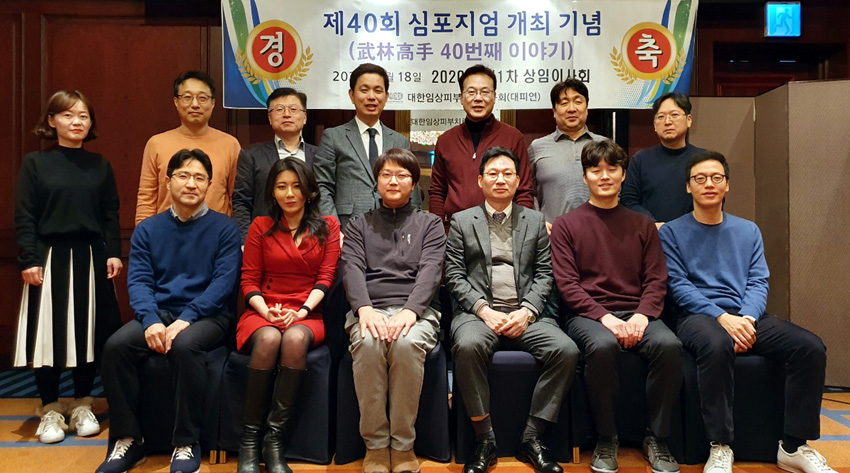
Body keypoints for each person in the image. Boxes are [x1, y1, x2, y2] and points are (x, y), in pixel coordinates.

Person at [658, 151, 835, 473]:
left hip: (746, 314)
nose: (708, 184)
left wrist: (747, 319)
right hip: (697, 316)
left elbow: (758, 280)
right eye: (700, 178)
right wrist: (722, 318)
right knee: (716, 344)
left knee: (810, 347)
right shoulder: (671, 232)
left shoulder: (748, 230)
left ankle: (794, 446)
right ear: (688, 187)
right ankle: (720, 445)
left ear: (726, 185)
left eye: (716, 178)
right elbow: (678, 286)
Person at [97, 149, 241, 473]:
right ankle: (128, 439)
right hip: (160, 312)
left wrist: (187, 318)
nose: (191, 184)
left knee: (185, 344)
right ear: (168, 181)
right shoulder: (148, 229)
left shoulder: (225, 228)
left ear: (209, 185)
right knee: (115, 347)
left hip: (209, 315)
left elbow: (223, 283)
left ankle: (186, 442)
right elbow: (139, 281)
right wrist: (150, 320)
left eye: (199, 178)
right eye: (183, 176)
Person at [551, 139, 683, 473]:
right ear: (585, 177)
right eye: (596, 170)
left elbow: (656, 279)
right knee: (602, 346)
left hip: (638, 311)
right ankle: (606, 438)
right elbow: (568, 285)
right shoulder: (567, 224)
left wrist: (641, 315)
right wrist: (605, 318)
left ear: (623, 174)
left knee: (669, 346)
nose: (605, 176)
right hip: (588, 314)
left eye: (612, 169)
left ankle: (657, 438)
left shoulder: (642, 224)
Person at [446, 147, 578, 473]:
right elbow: (454, 275)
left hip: (526, 314)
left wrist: (528, 311)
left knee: (566, 350)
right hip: (479, 314)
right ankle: (485, 439)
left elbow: (546, 273)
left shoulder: (535, 220)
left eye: (508, 174)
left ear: (519, 181)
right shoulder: (462, 221)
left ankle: (532, 437)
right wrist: (483, 310)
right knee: (467, 345)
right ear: (480, 180)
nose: (500, 180)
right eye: (493, 174)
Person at [14, 90, 122, 444]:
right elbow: (25, 215)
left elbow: (110, 213)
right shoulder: (35, 163)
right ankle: (49, 408)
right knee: (49, 335)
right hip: (48, 258)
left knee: (88, 333)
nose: (77, 122)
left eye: (83, 116)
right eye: (68, 115)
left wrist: (114, 253)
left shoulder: (100, 165)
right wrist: (29, 258)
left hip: (91, 256)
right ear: (52, 121)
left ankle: (82, 403)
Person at [341, 149, 445, 473]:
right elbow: (352, 269)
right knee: (369, 344)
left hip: (417, 311)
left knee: (405, 344)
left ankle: (402, 445)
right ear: (376, 181)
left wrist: (411, 311)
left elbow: (431, 271)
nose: (393, 181)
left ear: (413, 183)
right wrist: (364, 309)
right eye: (386, 175)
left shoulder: (430, 224)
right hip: (369, 308)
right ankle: (375, 445)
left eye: (402, 175)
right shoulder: (359, 225)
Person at [235, 157, 340, 473]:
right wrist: (267, 311)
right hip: (263, 309)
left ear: (309, 191)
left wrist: (302, 311)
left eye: (297, 186)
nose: (290, 193)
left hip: (308, 312)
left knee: (293, 339)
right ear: (273, 192)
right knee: (268, 338)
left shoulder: (328, 227)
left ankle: (274, 440)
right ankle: (249, 441)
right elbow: (249, 279)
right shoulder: (260, 226)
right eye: (282, 186)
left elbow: (326, 276)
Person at [313, 63, 418, 232]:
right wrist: (334, 231)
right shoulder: (333, 137)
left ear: (386, 96)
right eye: (364, 90)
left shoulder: (400, 141)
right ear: (352, 95)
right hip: (347, 229)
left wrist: (413, 229)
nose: (371, 97)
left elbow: (412, 190)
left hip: (394, 229)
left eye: (378, 90)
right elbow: (322, 187)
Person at [429, 64, 534, 232]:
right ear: (461, 98)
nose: (478, 98)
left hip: (503, 231)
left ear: (494, 96)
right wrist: (437, 231)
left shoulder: (513, 138)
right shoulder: (446, 140)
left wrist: (521, 232)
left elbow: (524, 191)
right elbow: (437, 192)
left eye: (485, 92)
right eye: (471, 92)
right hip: (456, 231)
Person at [135, 70, 240, 225]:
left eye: (202, 98)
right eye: (187, 97)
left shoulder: (230, 144)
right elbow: (146, 199)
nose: (195, 104)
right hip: (165, 232)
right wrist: (144, 233)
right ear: (176, 102)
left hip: (215, 232)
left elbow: (237, 200)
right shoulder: (156, 144)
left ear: (213, 103)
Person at [233, 88, 319, 243]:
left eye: (293, 109)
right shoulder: (251, 155)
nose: (287, 114)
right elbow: (241, 202)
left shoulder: (320, 155)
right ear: (270, 118)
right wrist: (246, 242)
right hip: (265, 240)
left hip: (311, 240)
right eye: (279, 109)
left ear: (304, 117)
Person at [528, 79, 606, 230]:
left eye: (578, 102)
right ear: (554, 111)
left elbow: (617, 191)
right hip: (553, 236)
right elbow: (527, 192)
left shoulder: (604, 145)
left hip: (599, 233)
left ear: (587, 108)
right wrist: (538, 222)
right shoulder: (537, 147)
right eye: (564, 103)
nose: (571, 109)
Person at [621, 93, 706, 228]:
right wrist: (653, 223)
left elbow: (714, 199)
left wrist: (683, 228)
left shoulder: (704, 160)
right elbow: (628, 200)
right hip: (652, 233)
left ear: (689, 120)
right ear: (655, 125)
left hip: (694, 232)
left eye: (674, 115)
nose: (667, 122)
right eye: (661, 117)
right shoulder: (641, 159)